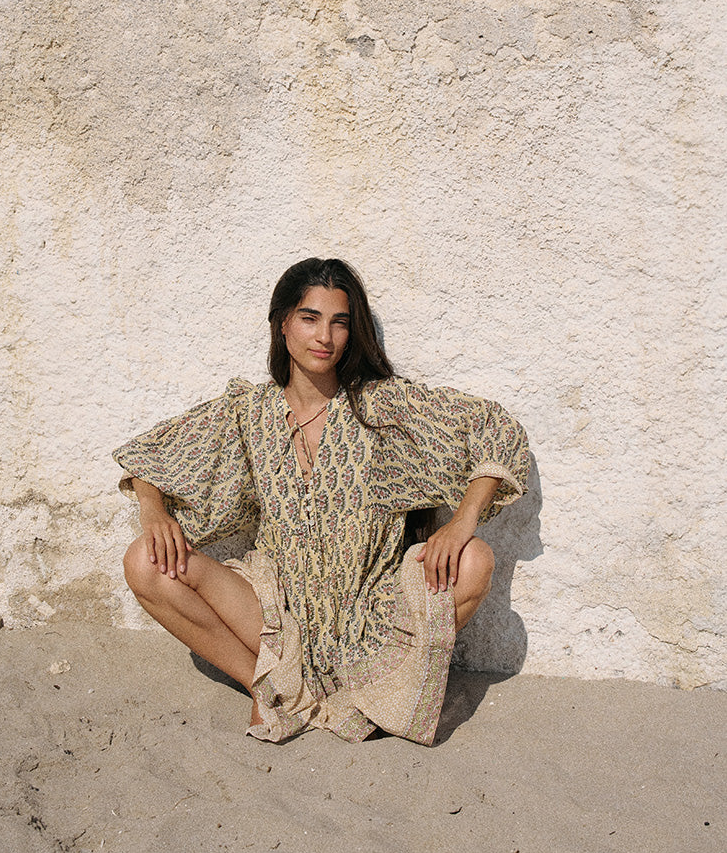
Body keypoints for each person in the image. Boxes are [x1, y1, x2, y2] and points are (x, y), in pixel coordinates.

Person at [115, 257, 529, 745]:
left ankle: (368, 690)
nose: (324, 337)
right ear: (283, 323)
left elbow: (495, 430)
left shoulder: (382, 408)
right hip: (274, 612)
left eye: (340, 322)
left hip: (370, 617)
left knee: (476, 557)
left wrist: (462, 522)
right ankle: (269, 688)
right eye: (310, 318)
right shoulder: (249, 413)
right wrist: (152, 506)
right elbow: (153, 455)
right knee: (144, 562)